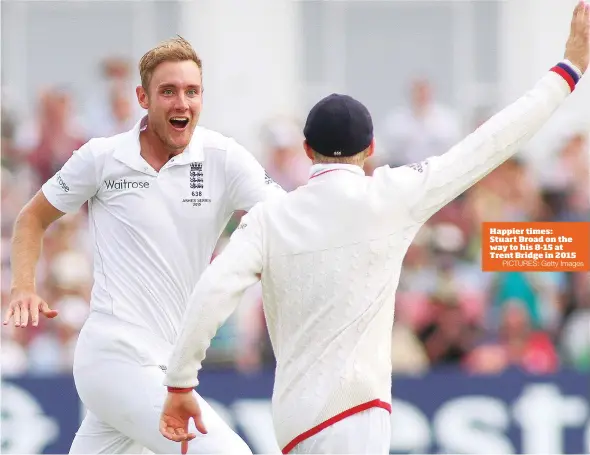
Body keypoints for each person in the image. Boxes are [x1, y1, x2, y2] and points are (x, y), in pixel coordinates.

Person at [158, 3, 589, 454]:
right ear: (371, 148)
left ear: (307, 149)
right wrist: (567, 71)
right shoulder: (391, 195)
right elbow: (489, 143)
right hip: (356, 415)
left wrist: (180, 382)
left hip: (292, 422)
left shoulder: (269, 219)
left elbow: (212, 291)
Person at [3, 36, 283, 454]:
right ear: (143, 97)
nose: (181, 103)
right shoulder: (102, 157)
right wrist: (23, 286)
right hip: (113, 357)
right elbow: (31, 218)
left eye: (192, 91)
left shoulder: (224, 157)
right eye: (168, 91)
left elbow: (287, 221)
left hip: (167, 364)